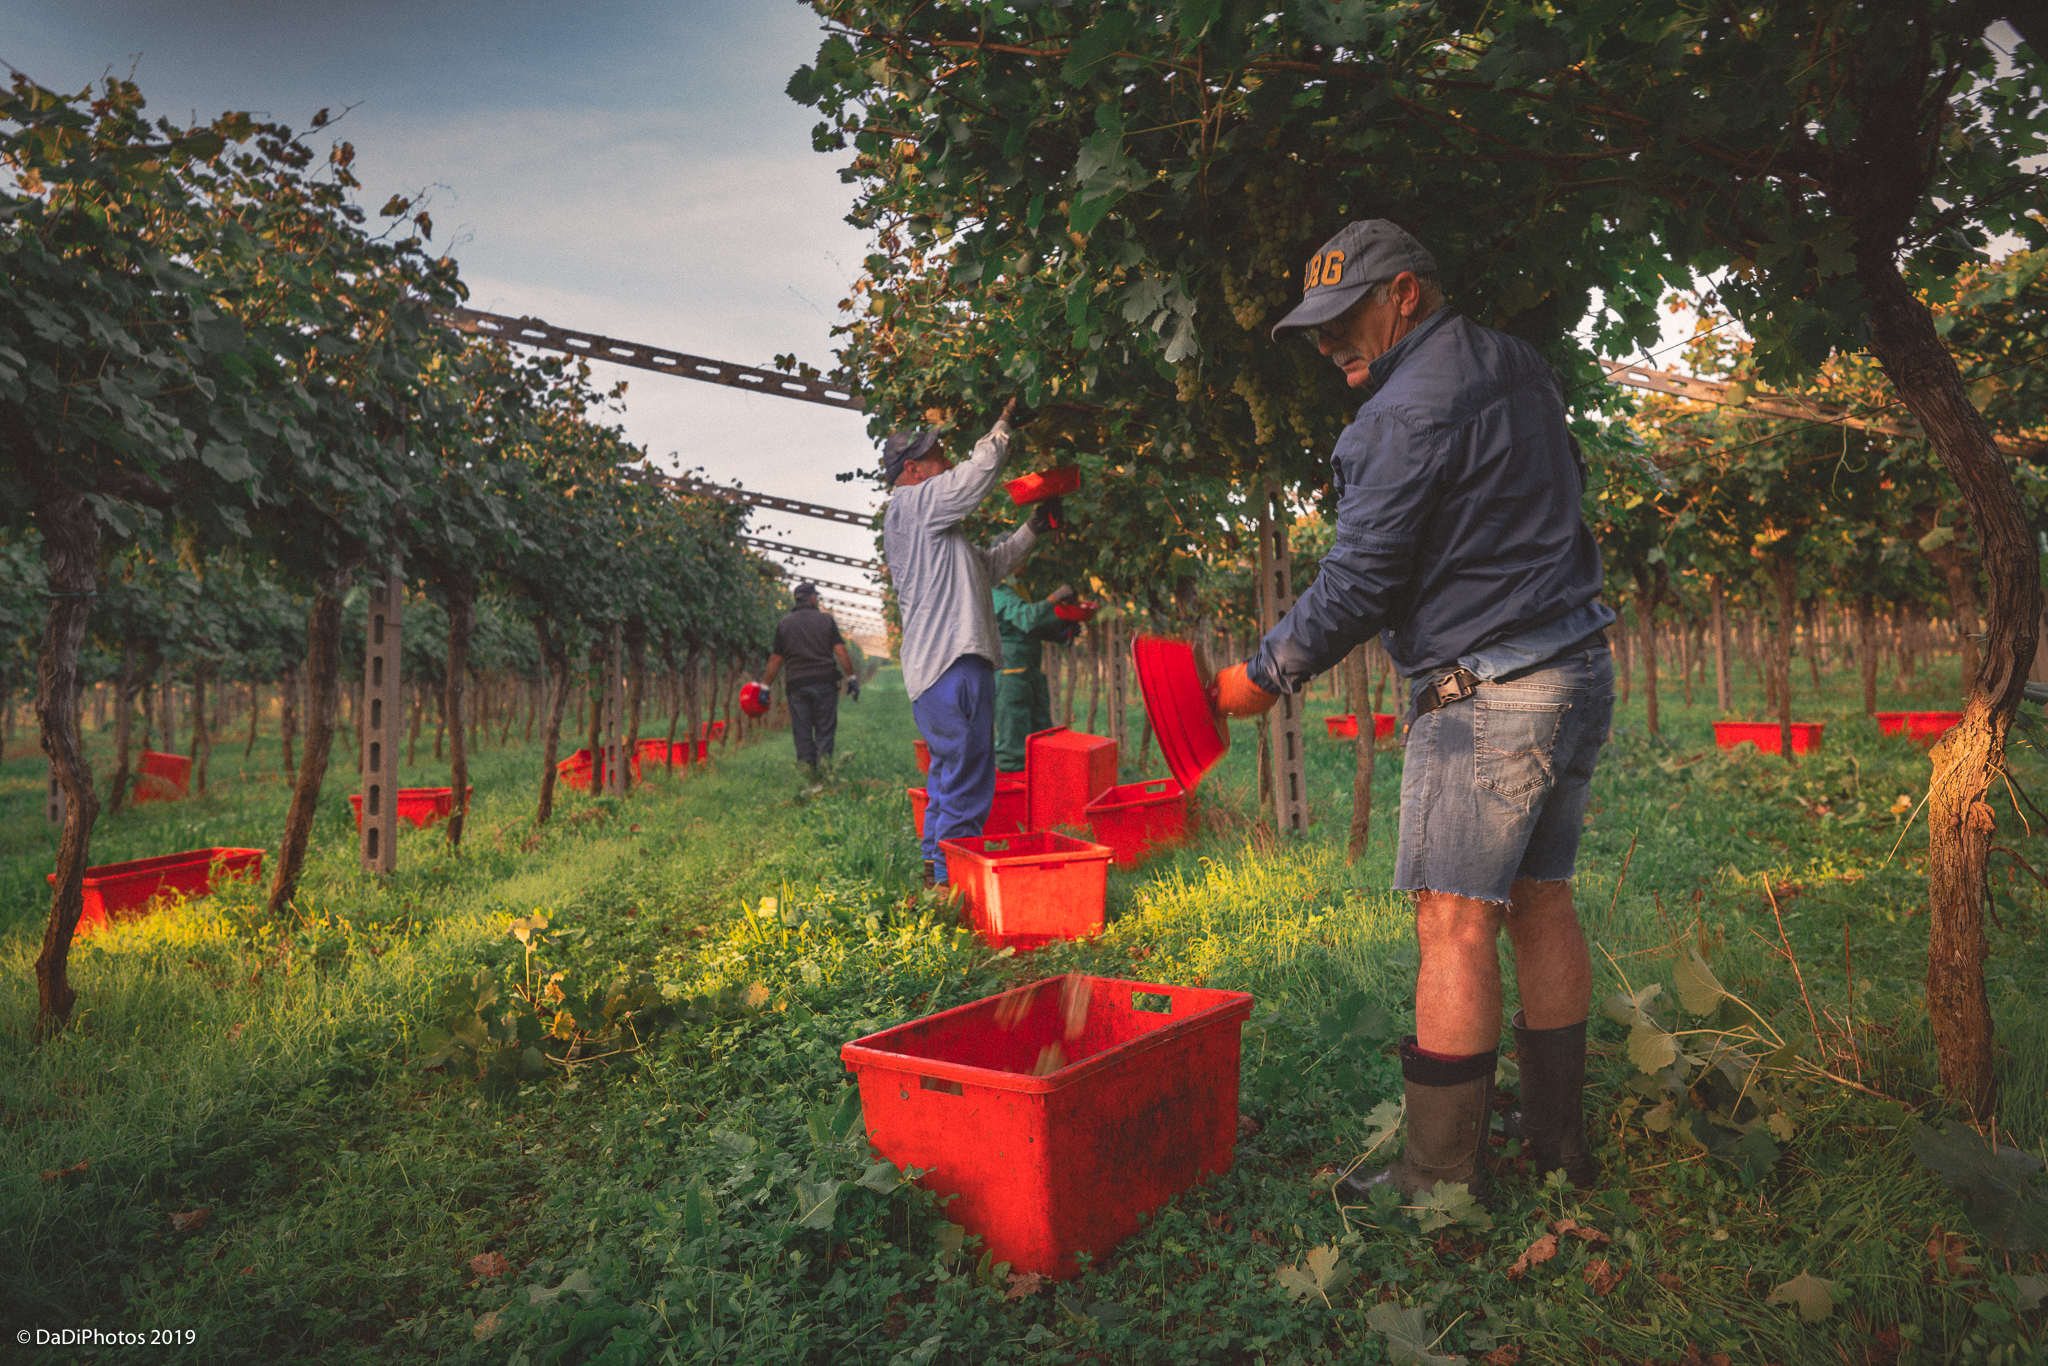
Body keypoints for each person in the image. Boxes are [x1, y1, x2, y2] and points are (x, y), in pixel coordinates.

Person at [1210, 220, 1616, 1202]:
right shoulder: (1519, 368)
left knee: (1453, 924)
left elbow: (1357, 584)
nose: (1327, 344)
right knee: (1539, 900)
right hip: (1575, 664)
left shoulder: (1398, 416)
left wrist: (1260, 675)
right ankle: (1556, 1141)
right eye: (1314, 329)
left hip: (1484, 695)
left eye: (1344, 319)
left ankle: (1437, 1179)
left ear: (1404, 294)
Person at [882, 399, 1060, 887]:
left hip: (942, 669)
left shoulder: (934, 531)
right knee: (969, 777)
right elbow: (972, 478)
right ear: (913, 470)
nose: (947, 459)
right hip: (950, 665)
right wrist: (1002, 425)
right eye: (939, 455)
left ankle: (933, 869)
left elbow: (990, 568)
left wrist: (1033, 529)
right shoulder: (913, 505)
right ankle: (951, 885)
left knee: (948, 775)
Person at [762, 582, 857, 779]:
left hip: (797, 686)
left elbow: (776, 659)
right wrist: (851, 677)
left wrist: (765, 687)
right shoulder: (826, 620)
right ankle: (824, 773)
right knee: (825, 729)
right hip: (825, 682)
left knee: (802, 731)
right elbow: (840, 650)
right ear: (813, 598)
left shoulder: (784, 624)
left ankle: (808, 777)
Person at [991, 577, 1081, 773]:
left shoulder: (1017, 589)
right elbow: (1028, 618)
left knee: (1041, 734)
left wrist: (1065, 628)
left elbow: (1031, 628)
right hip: (1010, 674)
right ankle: (1014, 791)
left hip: (1029, 672)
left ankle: (1043, 785)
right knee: (1013, 739)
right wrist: (1055, 597)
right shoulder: (996, 591)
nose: (1024, 566)